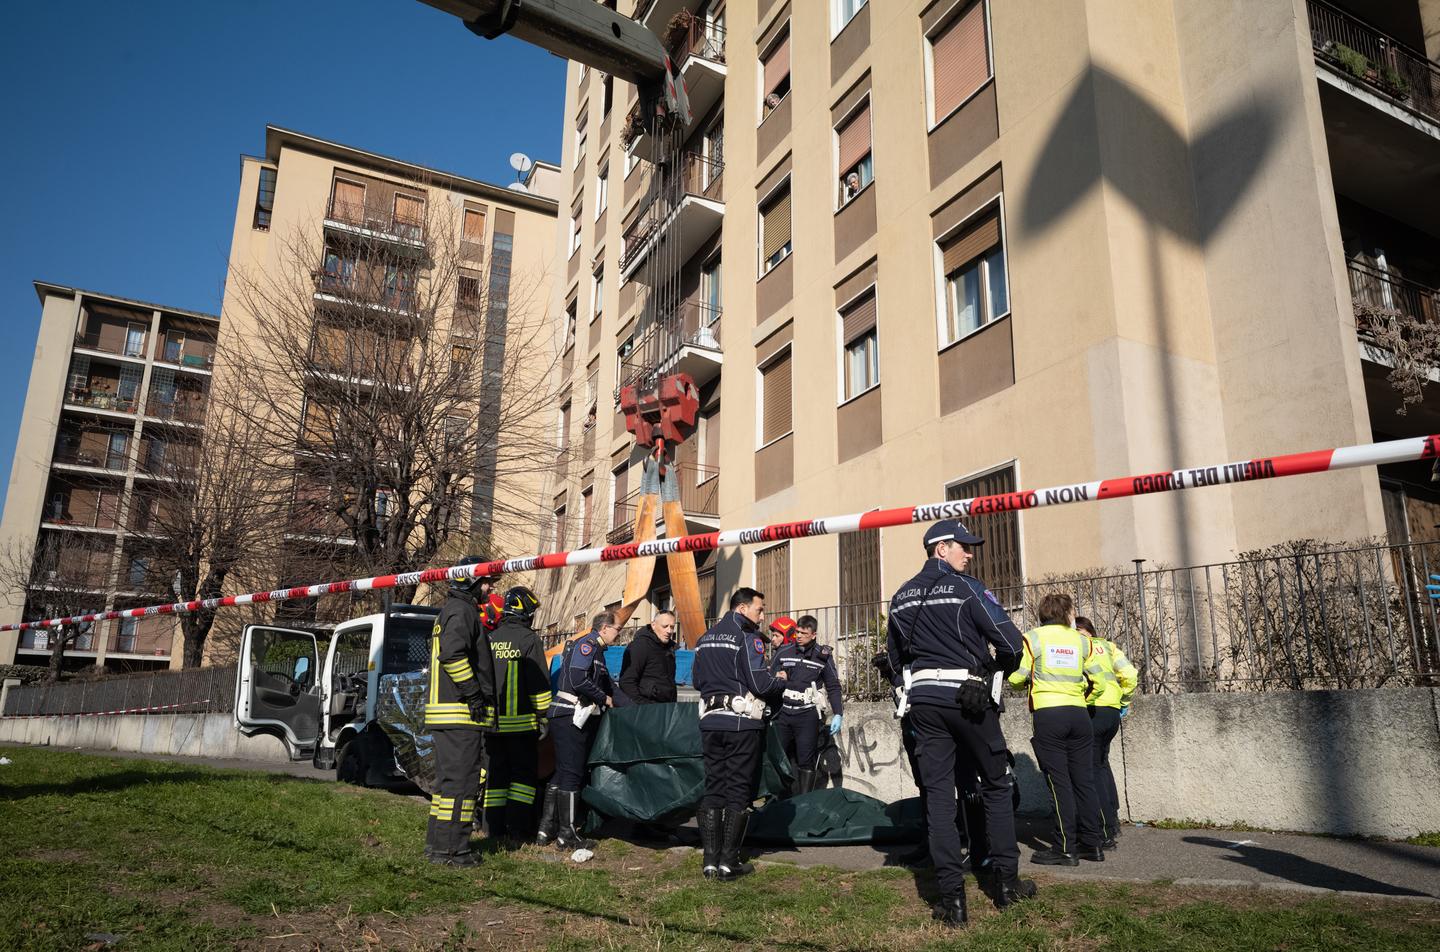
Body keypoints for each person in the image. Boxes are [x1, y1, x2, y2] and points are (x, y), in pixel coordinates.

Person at [886, 520, 1036, 926]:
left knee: (938, 797)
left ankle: (952, 901)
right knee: (996, 785)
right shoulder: (969, 588)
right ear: (940, 550)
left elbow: (896, 664)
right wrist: (984, 672)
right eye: (962, 547)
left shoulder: (899, 597)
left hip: (924, 702)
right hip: (968, 699)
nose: (969, 554)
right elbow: (1011, 645)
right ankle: (1006, 886)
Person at [692, 587, 788, 880]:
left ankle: (709, 861)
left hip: (710, 722)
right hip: (740, 723)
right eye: (760, 609)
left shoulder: (704, 638)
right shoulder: (748, 639)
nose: (762, 616)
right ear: (742, 608)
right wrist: (780, 681)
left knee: (714, 787)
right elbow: (760, 683)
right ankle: (728, 861)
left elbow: (696, 680)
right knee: (738, 789)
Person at [1008, 593, 1107, 866]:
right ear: (1067, 614)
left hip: (1049, 714)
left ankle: (1065, 847)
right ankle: (1093, 843)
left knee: (1059, 782)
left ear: (1042, 614)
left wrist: (1016, 681)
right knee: (1084, 779)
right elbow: (1098, 680)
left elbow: (1018, 677)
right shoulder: (1082, 641)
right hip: (1079, 713)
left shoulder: (1033, 638)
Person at [423, 556, 498, 867]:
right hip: (460, 714)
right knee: (462, 785)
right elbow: (453, 657)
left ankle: (439, 847)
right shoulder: (463, 612)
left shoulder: (452, 610)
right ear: (471, 581)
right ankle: (455, 851)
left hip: (449, 714)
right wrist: (474, 695)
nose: (490, 587)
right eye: (486, 581)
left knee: (447, 787)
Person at [541, 611, 620, 850]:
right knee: (572, 773)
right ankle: (567, 834)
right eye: (617, 628)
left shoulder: (598, 652)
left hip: (567, 716)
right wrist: (603, 699)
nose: (618, 633)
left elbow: (610, 687)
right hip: (569, 715)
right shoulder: (587, 645)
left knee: (563, 772)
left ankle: (546, 829)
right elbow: (578, 679)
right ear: (604, 628)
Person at [482, 587, 552, 846]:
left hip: (491, 726)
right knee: (522, 779)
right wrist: (544, 716)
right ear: (526, 613)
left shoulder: (490, 638)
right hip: (522, 726)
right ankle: (518, 830)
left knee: (496, 777)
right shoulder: (528, 640)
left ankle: (492, 827)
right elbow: (539, 685)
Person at [1075, 615, 1137, 848]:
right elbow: (1130, 675)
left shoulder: (1077, 647)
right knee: (1102, 764)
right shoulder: (1108, 647)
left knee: (1090, 769)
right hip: (1111, 712)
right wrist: (1124, 700)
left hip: (1091, 709)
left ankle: (1103, 829)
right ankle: (1113, 820)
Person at [770, 614, 843, 794]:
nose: (799, 636)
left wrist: (839, 713)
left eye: (804, 633)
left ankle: (804, 802)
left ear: (814, 634)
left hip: (807, 715)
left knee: (806, 760)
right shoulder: (784, 651)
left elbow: (833, 686)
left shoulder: (823, 655)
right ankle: (779, 800)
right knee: (778, 758)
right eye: (797, 632)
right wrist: (777, 679)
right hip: (784, 713)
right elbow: (768, 679)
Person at [617, 610, 678, 706]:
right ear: (653, 625)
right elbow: (627, 681)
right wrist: (643, 707)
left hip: (666, 709)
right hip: (646, 710)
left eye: (672, 627)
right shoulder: (640, 646)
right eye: (665, 626)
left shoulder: (669, 648)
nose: (669, 631)